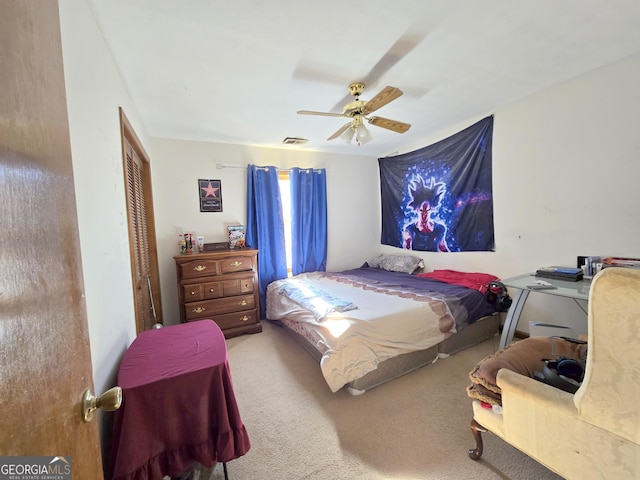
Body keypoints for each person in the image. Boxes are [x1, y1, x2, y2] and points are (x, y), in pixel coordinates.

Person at [403, 176, 450, 252]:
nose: (424, 215)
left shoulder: (439, 229)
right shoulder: (410, 229)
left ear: (431, 209)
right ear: (417, 210)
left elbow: (442, 247)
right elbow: (406, 249)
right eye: (421, 211)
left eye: (426, 211)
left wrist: (453, 259)